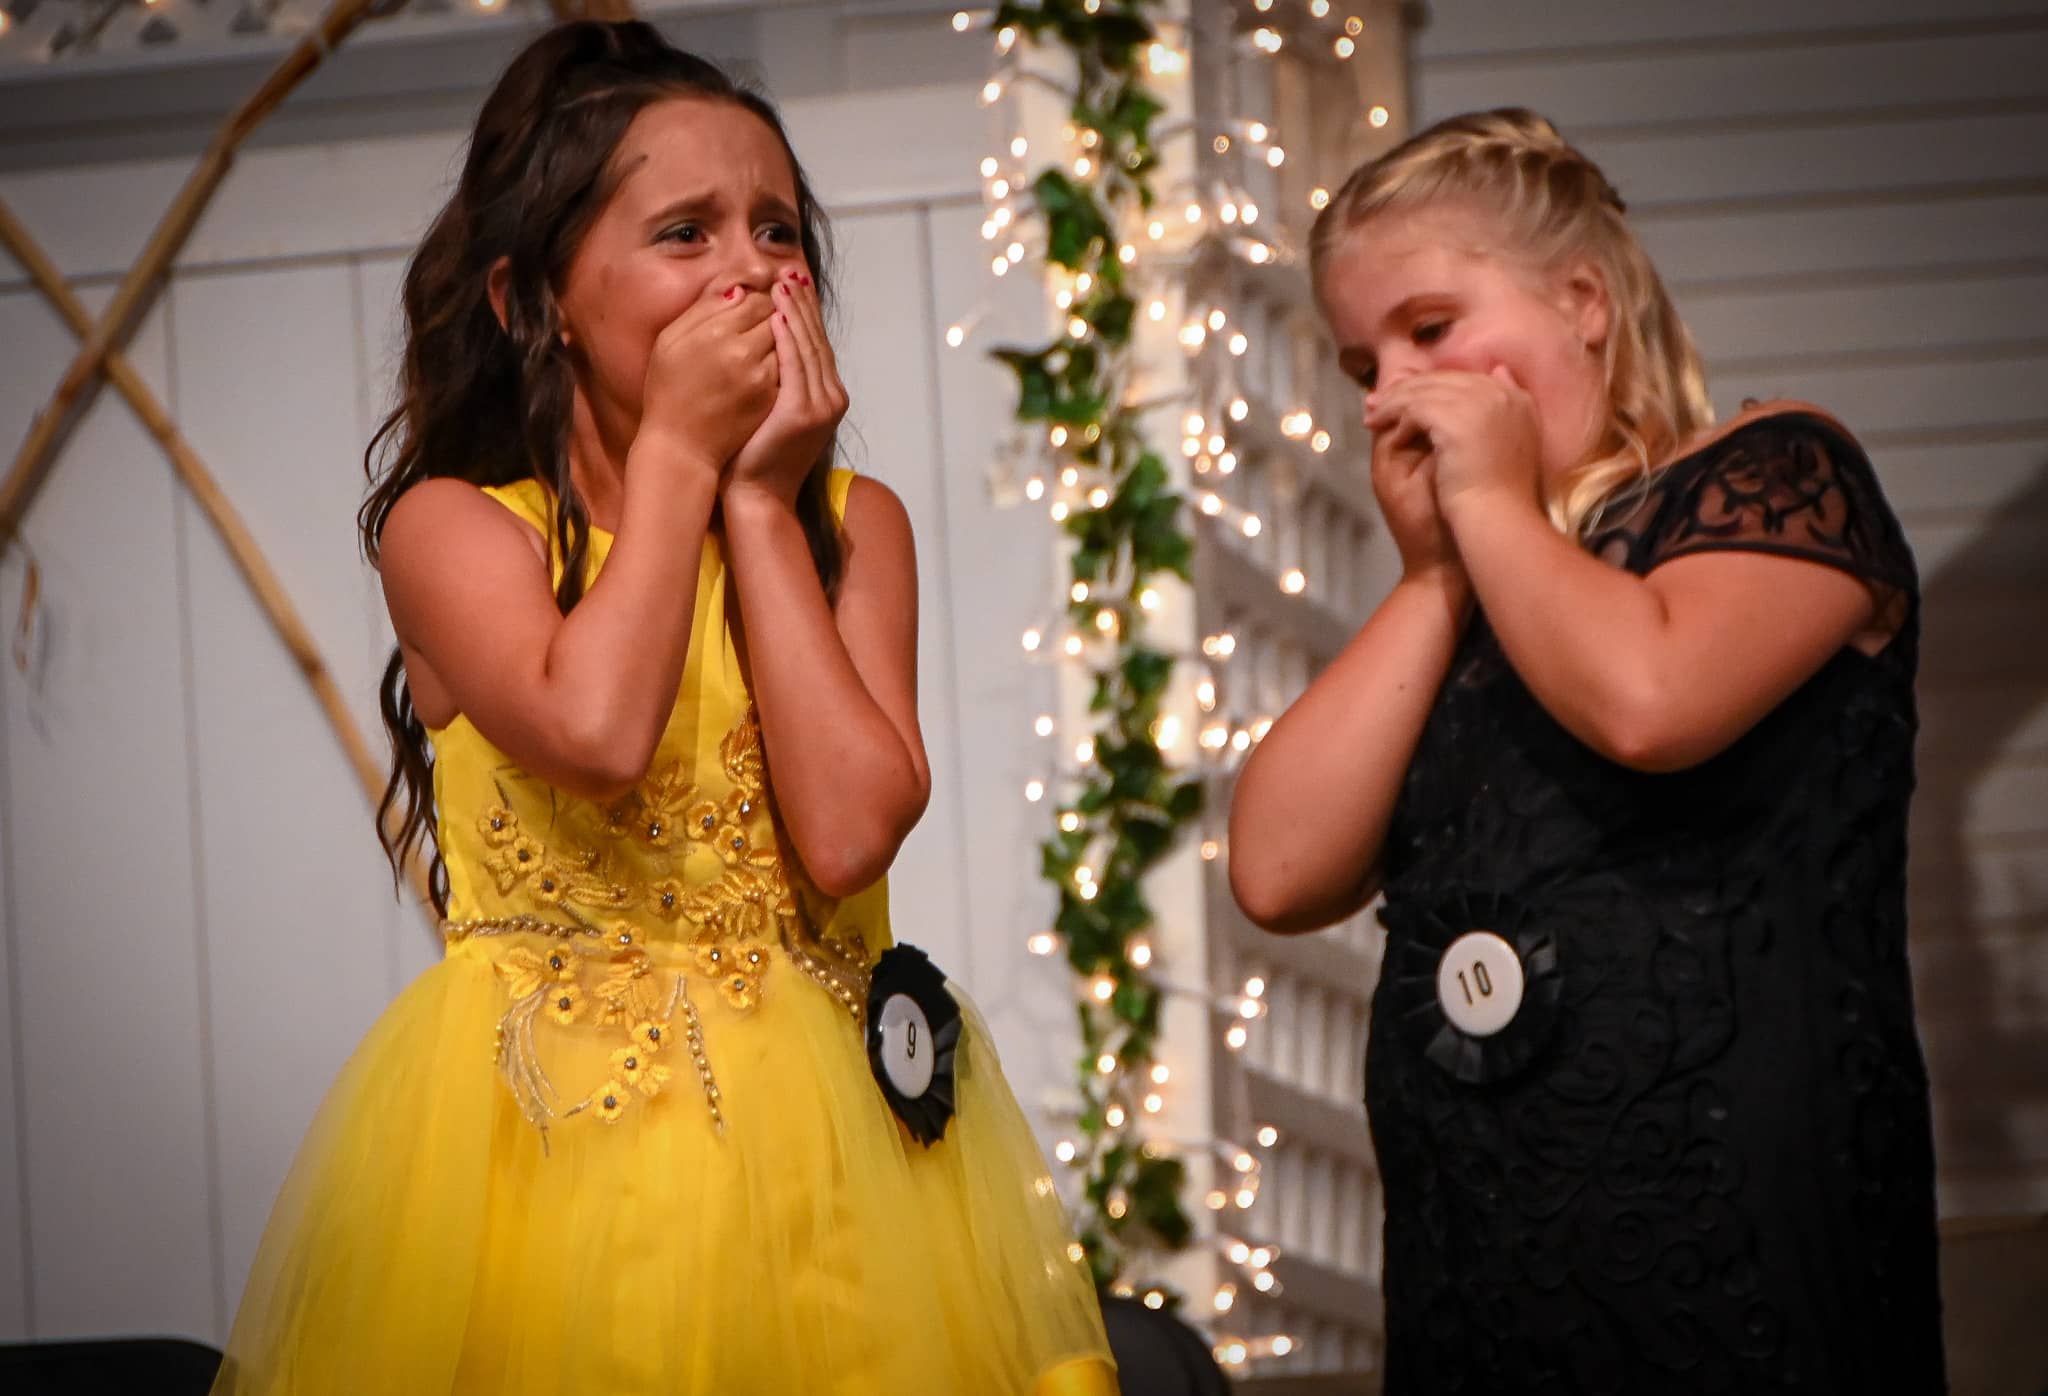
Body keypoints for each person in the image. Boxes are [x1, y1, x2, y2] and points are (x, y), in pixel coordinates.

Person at [210, 22, 1115, 1395]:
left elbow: (851, 831)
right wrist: (688, 451)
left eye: (775, 228)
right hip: (556, 1162)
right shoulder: (456, 534)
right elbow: (596, 729)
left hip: (835, 1183)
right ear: (534, 303)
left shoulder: (852, 528)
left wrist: (756, 503)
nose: (750, 267)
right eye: (685, 234)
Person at [1228, 108, 1944, 1393]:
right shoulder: (1478, 590)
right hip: (1484, 1256)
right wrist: (1434, 572)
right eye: (1359, 366)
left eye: (1429, 330)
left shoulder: (1777, 470)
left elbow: (1647, 701)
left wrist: (1494, 508)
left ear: (1581, 301)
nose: (1389, 394)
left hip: (1723, 1235)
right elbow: (1276, 872)